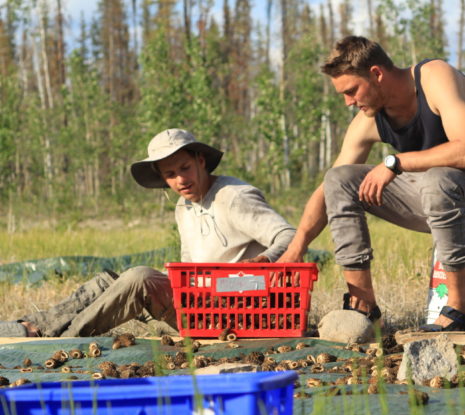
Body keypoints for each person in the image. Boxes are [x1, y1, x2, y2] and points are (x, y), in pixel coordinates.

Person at [3, 129, 295, 338]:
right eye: (170, 174)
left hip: (241, 306)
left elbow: (289, 236)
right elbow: (188, 270)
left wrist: (266, 261)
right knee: (107, 281)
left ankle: (63, 340)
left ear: (200, 161)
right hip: (203, 304)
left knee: (139, 278)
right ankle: (30, 327)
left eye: (185, 168)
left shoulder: (233, 197)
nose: (181, 180)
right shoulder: (184, 207)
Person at [279, 35, 465, 339]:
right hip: (439, 199)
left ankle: (458, 308)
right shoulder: (369, 119)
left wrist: (395, 162)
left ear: (376, 73)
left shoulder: (433, 77)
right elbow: (329, 188)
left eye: (351, 90)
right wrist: (297, 244)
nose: (348, 102)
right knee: (339, 180)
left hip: (451, 190)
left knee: (437, 179)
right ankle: (363, 307)